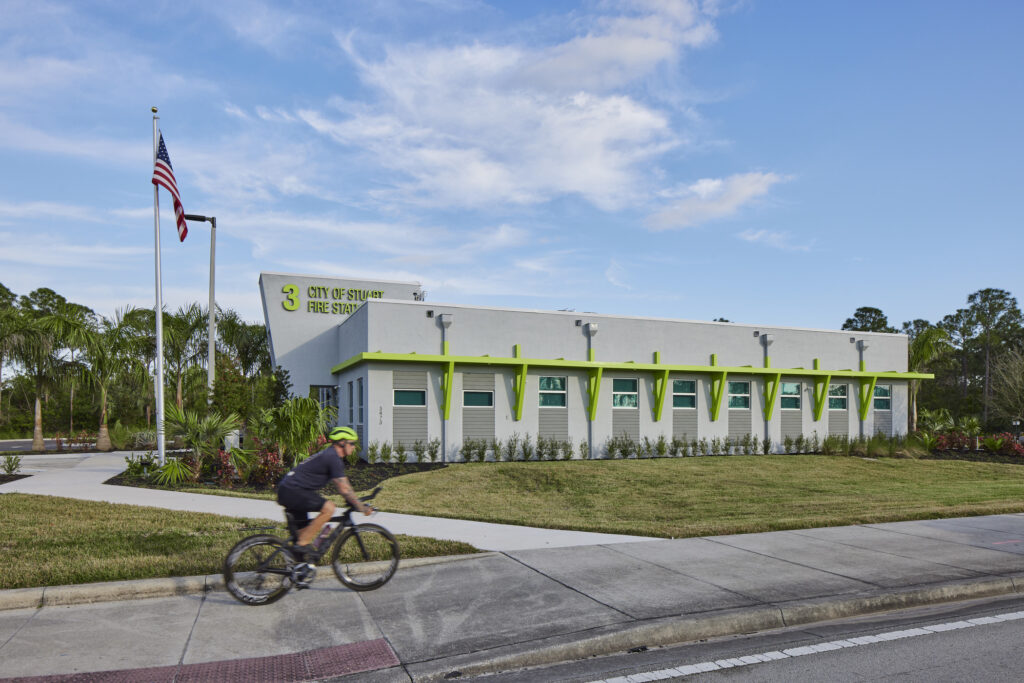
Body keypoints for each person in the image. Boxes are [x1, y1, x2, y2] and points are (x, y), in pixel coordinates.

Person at [276, 426, 373, 558]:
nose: (354, 447)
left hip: (289, 490)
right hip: (293, 491)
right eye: (352, 443)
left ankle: (298, 570)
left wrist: (353, 500)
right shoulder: (333, 457)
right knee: (329, 508)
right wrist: (361, 507)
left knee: (303, 536)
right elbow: (344, 488)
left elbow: (344, 487)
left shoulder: (329, 455)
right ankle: (301, 545)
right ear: (342, 443)